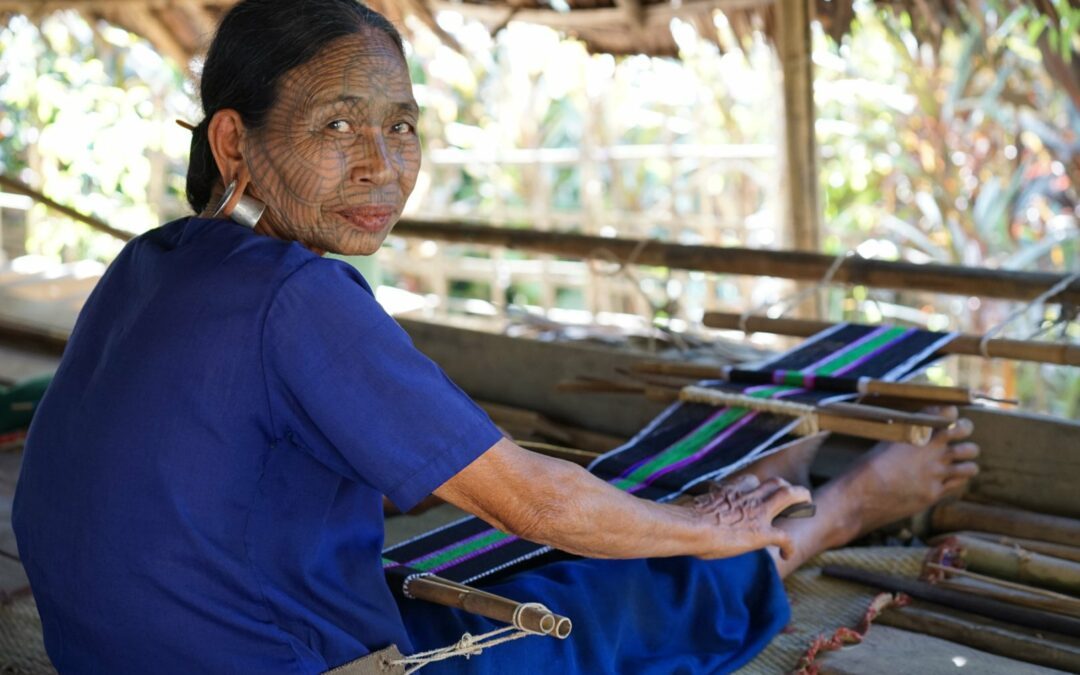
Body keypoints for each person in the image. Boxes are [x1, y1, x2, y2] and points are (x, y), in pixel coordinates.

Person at [12, 1, 979, 672]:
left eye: (402, 128)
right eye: (337, 125)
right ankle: (835, 515)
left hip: (109, 649)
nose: (381, 167)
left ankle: (776, 461)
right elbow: (533, 503)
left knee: (468, 570)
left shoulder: (155, 258)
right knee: (614, 601)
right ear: (235, 144)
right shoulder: (297, 299)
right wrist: (702, 525)